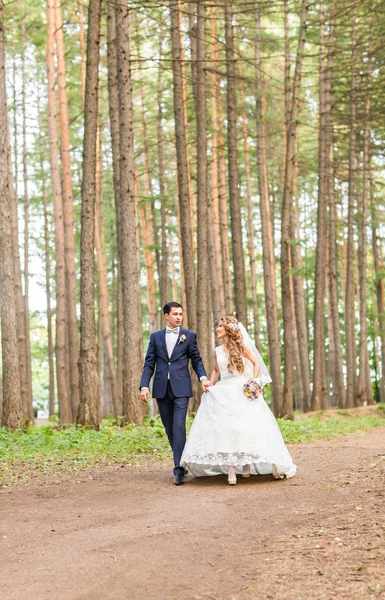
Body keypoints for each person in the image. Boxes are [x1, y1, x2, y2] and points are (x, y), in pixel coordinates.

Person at [181, 316, 296, 485]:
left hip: (241, 390)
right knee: (227, 429)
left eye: (220, 326)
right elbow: (215, 370)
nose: (217, 329)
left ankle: (247, 466)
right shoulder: (217, 351)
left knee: (244, 427)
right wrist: (210, 383)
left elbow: (256, 364)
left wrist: (254, 381)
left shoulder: (242, 347)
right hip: (224, 391)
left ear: (228, 329)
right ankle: (232, 469)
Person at [140, 302, 210, 486]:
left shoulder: (189, 336)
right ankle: (182, 458)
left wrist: (203, 378)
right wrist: (144, 386)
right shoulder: (155, 337)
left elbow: (196, 359)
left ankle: (178, 469)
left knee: (179, 426)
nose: (179, 317)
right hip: (162, 388)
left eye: (181, 314)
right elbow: (149, 363)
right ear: (166, 316)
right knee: (169, 428)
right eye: (175, 314)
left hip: (181, 388)